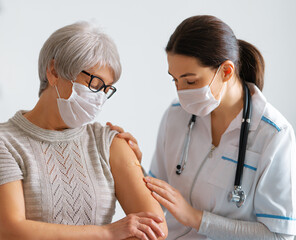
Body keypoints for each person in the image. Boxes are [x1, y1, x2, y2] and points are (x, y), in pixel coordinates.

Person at [0, 21, 168, 240]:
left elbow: (155, 228)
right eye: (95, 84)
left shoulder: (108, 142)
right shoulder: (1, 141)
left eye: (107, 90)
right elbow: (10, 230)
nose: (99, 98)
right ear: (54, 71)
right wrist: (108, 232)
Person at [109, 15, 296, 239]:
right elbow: (162, 201)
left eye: (190, 82)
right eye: (175, 80)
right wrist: (134, 165)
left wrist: (196, 218)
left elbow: (279, 235)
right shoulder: (176, 115)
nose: (181, 92)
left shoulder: (273, 135)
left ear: (226, 71)